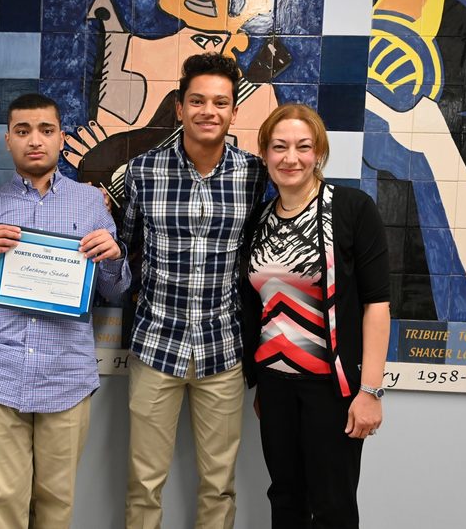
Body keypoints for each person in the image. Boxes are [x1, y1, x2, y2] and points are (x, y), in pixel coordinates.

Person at [0, 93, 131, 529]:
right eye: (22, 131)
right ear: (8, 142)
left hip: (66, 375)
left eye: (46, 130)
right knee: (0, 504)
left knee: (56, 504)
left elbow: (113, 291)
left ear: (61, 139)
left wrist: (112, 257)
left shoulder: (91, 204)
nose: (35, 140)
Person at [121, 52, 267, 529]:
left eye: (220, 102)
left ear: (233, 111)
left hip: (223, 349)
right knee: (143, 484)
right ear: (180, 107)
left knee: (219, 484)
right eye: (198, 100)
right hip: (154, 346)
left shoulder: (253, 174)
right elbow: (126, 248)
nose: (209, 111)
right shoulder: (143, 171)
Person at [241, 103, 390, 528]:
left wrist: (371, 391)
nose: (291, 158)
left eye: (303, 147)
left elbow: (376, 304)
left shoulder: (352, 209)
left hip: (333, 389)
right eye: (279, 147)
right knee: (285, 498)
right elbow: (261, 308)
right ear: (266, 154)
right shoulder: (259, 220)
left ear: (319, 152)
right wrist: (262, 387)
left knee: (332, 506)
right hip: (274, 388)